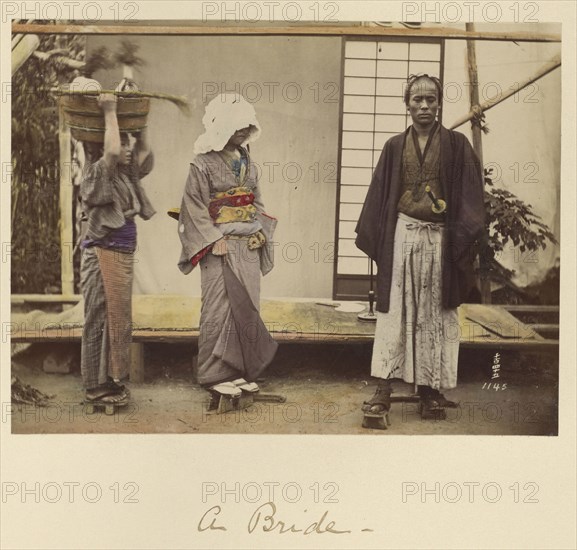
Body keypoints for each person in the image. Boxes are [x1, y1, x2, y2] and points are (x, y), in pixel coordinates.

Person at [355, 74, 486, 420]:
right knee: (394, 310)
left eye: (431, 99)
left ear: (439, 102)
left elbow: (472, 198)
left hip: (441, 242)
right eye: (417, 100)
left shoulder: (457, 145)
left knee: (434, 315)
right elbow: (379, 200)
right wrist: (381, 240)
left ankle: (430, 390)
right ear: (407, 105)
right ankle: (384, 386)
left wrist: (459, 243)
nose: (424, 106)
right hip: (402, 236)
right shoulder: (394, 147)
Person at [177, 93, 278, 399]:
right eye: (238, 126)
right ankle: (212, 373)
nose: (245, 130)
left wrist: (260, 231)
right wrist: (212, 239)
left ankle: (237, 372)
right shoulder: (201, 163)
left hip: (247, 243)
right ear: (221, 128)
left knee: (246, 306)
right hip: (218, 246)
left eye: (249, 124)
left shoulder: (248, 161)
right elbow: (192, 207)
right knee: (218, 309)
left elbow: (256, 202)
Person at [79, 91, 155, 405]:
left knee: (118, 319)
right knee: (99, 317)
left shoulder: (126, 174)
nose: (126, 148)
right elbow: (111, 153)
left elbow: (145, 149)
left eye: (126, 142)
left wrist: (140, 120)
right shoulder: (98, 172)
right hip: (101, 254)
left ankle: (112, 381)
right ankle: (96, 387)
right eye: (122, 142)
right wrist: (110, 109)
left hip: (121, 254)